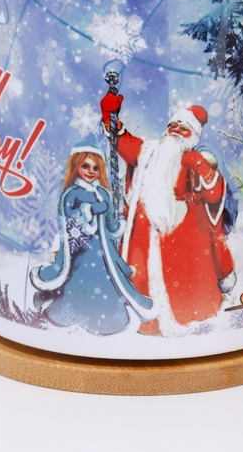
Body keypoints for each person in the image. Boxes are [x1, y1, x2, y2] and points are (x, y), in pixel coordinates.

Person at [101, 93, 236, 336]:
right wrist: (110, 116)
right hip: (143, 237)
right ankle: (146, 324)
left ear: (192, 136)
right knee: (141, 282)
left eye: (183, 128)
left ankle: (190, 323)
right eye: (172, 126)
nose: (175, 131)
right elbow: (123, 143)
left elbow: (215, 194)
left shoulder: (194, 160)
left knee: (185, 297)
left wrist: (198, 163)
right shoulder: (149, 152)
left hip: (183, 243)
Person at [30, 142, 155, 336]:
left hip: (103, 250)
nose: (91, 171)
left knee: (105, 282)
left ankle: (105, 320)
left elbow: (109, 221)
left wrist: (119, 225)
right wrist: (90, 210)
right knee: (80, 281)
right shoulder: (73, 193)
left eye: (96, 168)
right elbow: (71, 218)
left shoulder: (103, 193)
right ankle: (71, 314)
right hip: (82, 250)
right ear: (76, 166)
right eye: (85, 166)